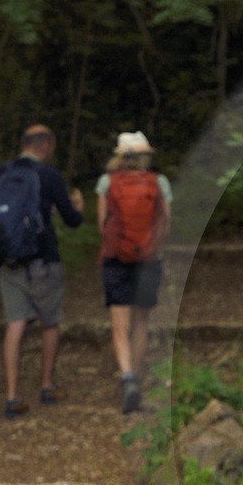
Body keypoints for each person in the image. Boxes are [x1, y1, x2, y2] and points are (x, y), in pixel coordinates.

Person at [0, 124, 84, 420]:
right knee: (50, 322)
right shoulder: (49, 175)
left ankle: (12, 396)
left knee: (15, 324)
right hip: (44, 260)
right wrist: (77, 207)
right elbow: (72, 220)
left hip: (9, 261)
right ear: (45, 146)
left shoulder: (0, 173)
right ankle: (46, 386)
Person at [96, 131, 172, 413]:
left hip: (116, 259)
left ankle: (126, 377)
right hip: (150, 259)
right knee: (141, 321)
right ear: (145, 155)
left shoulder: (106, 183)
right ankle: (136, 381)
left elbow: (103, 225)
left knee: (120, 324)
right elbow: (166, 224)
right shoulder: (160, 183)